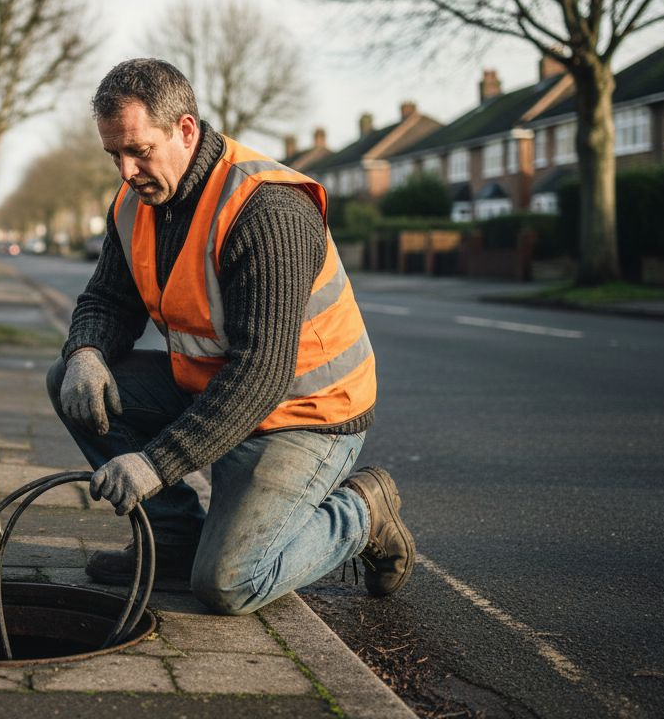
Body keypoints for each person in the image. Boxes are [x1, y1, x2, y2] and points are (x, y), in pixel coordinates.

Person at [47, 58, 414, 615]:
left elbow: (262, 372)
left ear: (186, 130)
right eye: (113, 154)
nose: (125, 170)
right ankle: (172, 542)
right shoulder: (135, 201)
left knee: (228, 583)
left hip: (304, 413)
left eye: (139, 151)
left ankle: (363, 512)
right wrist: (87, 351)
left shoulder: (267, 209)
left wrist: (155, 464)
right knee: (71, 382)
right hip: (214, 390)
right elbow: (107, 300)